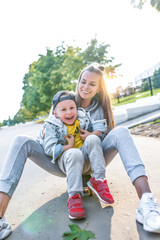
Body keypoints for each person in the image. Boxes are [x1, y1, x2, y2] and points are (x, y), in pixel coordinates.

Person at [74, 63, 160, 233]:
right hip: (71, 162)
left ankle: (146, 201)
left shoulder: (101, 107)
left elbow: (107, 139)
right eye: (83, 82)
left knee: (121, 132)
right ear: (78, 82)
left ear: (99, 89)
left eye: (92, 84)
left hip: (96, 160)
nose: (85, 87)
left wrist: (94, 135)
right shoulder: (66, 101)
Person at [38, 90, 114, 220]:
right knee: (73, 152)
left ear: (76, 108)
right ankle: (74, 197)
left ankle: (99, 180)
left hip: (84, 156)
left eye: (72, 108)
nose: (69, 112)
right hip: (67, 159)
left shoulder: (83, 116)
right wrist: (67, 146)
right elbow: (49, 148)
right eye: (63, 110)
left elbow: (99, 127)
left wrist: (93, 133)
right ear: (55, 113)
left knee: (93, 139)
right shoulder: (52, 125)